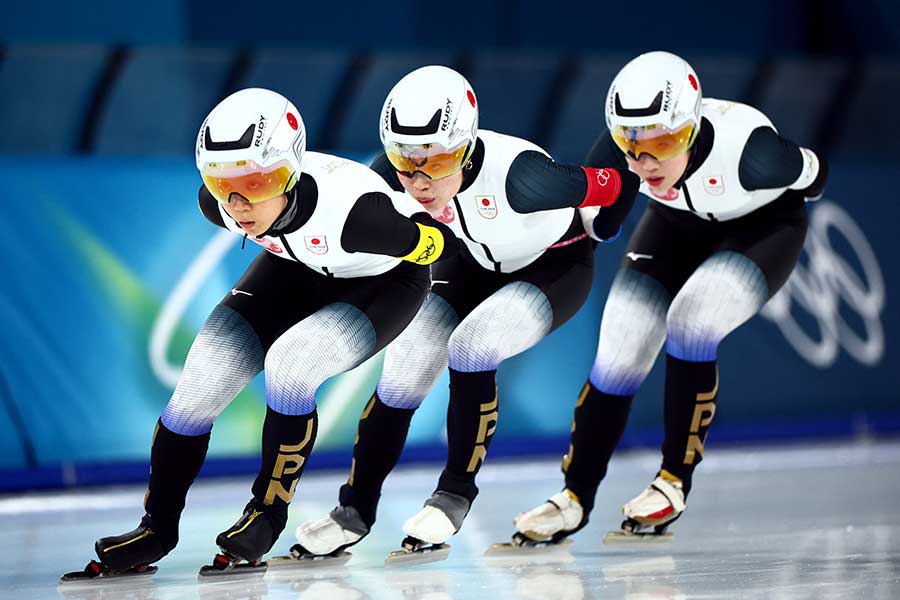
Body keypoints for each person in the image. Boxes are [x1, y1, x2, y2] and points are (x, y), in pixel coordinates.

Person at [62, 87, 457, 582]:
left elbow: (436, 244)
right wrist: (246, 192)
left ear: (289, 173)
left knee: (292, 365)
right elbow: (240, 202)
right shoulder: (218, 205)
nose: (239, 202)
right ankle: (156, 528)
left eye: (257, 180)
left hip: (382, 282)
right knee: (195, 389)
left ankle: (266, 514)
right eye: (222, 182)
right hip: (294, 268)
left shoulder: (359, 217)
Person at [290, 65, 638, 562]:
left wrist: (604, 228)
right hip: (468, 264)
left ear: (468, 145)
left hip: (554, 265)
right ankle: (355, 510)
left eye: (438, 160)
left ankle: (454, 493)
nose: (419, 180)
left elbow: (614, 184)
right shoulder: (390, 176)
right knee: (405, 365)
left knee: (474, 345)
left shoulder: (525, 178)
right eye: (405, 161)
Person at [513, 51, 829, 545]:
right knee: (620, 347)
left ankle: (673, 481)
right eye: (632, 146)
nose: (646, 162)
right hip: (674, 227)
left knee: (693, 321)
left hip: (762, 229)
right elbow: (600, 225)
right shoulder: (621, 150)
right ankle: (574, 498)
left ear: (693, 125)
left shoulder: (751, 150)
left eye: (664, 142)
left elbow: (815, 175)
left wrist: (806, 174)